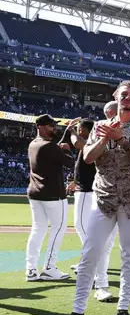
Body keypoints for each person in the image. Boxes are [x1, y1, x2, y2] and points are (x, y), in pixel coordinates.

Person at [52, 81, 130, 315]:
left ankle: (123, 308)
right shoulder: (100, 126)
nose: (129, 98)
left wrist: (121, 139)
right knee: (90, 252)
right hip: (104, 198)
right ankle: (78, 310)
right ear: (116, 97)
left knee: (129, 255)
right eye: (124, 94)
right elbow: (88, 157)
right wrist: (105, 138)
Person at [66, 117, 117, 302]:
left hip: (89, 192)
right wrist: (73, 181)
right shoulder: (93, 142)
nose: (79, 131)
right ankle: (91, 265)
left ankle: (95, 272)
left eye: (81, 128)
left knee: (86, 232)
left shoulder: (90, 141)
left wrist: (70, 131)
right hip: (88, 190)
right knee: (94, 238)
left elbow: (78, 143)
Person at [25, 114, 75, 281]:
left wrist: (67, 132)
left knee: (37, 230)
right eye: (50, 125)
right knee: (58, 230)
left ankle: (31, 270)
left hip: (35, 193)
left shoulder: (34, 144)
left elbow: (54, 147)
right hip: (53, 194)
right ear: (40, 127)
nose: (54, 127)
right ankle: (49, 268)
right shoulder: (48, 146)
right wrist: (67, 149)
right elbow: (70, 162)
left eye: (54, 124)